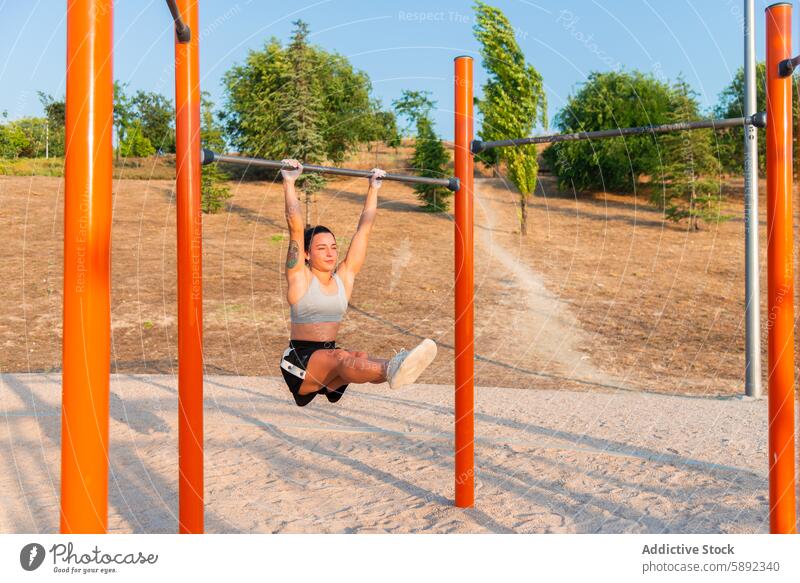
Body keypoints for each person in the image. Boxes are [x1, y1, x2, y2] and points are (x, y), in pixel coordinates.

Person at [278, 159, 438, 407]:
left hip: (329, 356)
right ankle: (393, 366)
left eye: (333, 247)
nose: (331, 253)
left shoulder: (344, 277)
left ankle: (394, 370)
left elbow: (364, 231)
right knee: (343, 357)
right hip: (300, 360)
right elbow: (294, 226)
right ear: (307, 254)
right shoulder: (300, 277)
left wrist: (373, 189)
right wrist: (289, 182)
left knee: (357, 357)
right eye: (322, 248)